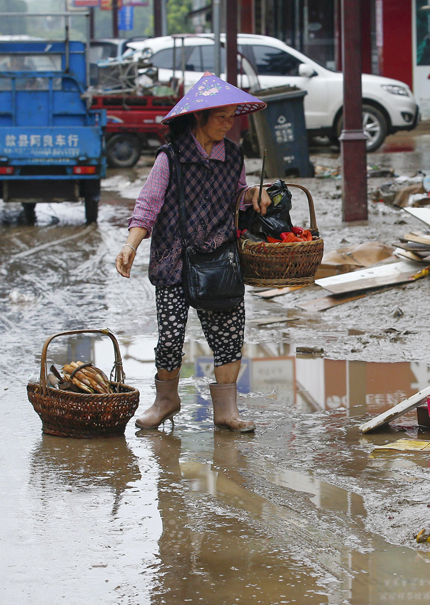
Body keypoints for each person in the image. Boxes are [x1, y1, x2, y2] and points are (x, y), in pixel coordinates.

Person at [115, 73, 270, 433]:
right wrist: (130, 246)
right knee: (169, 337)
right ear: (198, 117)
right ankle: (166, 401)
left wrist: (251, 196)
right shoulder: (170, 158)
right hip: (173, 260)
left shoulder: (232, 156)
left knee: (228, 335)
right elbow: (147, 206)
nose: (228, 125)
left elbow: (237, 194)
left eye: (232, 117)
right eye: (221, 117)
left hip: (219, 260)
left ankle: (226, 411)